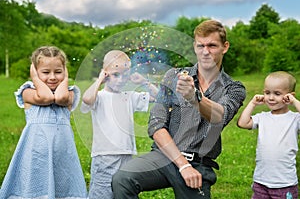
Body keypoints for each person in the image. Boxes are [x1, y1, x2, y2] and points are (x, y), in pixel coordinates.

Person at [112, 19, 246, 198]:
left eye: (212, 46)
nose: (205, 52)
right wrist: (182, 165)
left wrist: (194, 97)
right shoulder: (173, 76)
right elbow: (156, 125)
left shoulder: (234, 88)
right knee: (122, 179)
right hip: (164, 156)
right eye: (200, 46)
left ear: (225, 47)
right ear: (194, 47)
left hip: (199, 164)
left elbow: (220, 116)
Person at [0, 46, 87, 198]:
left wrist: (65, 79)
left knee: (63, 186)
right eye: (45, 72)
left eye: (58, 72)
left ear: (65, 71)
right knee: (35, 188)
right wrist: (34, 79)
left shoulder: (69, 93)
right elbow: (46, 98)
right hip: (36, 156)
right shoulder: (28, 92)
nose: (52, 77)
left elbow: (58, 98)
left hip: (62, 155)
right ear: (35, 71)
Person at [80, 50, 158, 199]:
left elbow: (157, 96)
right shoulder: (99, 97)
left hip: (126, 155)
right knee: (101, 193)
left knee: (124, 192)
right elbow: (87, 99)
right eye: (116, 75)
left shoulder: (129, 96)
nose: (121, 80)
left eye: (125, 75)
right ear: (106, 74)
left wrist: (144, 82)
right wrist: (99, 80)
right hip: (104, 156)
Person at [237, 71, 299, 198]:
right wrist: (253, 103)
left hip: (285, 183)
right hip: (261, 181)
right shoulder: (263, 117)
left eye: (277, 94)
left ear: (289, 96)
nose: (270, 98)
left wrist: (294, 102)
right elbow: (243, 123)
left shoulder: (294, 118)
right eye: (267, 93)